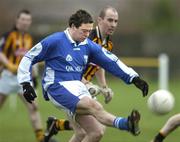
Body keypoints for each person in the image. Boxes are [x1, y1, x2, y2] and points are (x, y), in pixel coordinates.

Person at [17, 9, 149, 142]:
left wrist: (134, 78)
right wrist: (25, 83)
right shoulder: (55, 41)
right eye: (84, 31)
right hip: (56, 86)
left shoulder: (88, 45)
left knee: (96, 132)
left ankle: (126, 124)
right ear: (73, 27)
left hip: (77, 87)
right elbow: (28, 57)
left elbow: (111, 61)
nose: (87, 34)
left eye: (89, 31)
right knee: (95, 107)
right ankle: (126, 124)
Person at [43, 6, 120, 141]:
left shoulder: (108, 44)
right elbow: (70, 67)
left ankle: (56, 125)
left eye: (115, 21)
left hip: (83, 88)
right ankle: (57, 125)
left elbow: (99, 64)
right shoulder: (85, 37)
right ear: (100, 20)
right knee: (87, 131)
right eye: (110, 20)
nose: (113, 24)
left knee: (95, 128)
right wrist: (86, 83)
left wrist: (104, 86)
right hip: (70, 87)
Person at [0, 9, 44, 142]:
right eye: (22, 19)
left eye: (27, 20)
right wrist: (9, 65)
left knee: (34, 107)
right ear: (17, 20)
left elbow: (30, 60)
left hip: (22, 79)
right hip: (6, 76)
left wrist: (34, 77)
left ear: (30, 22)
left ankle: (41, 138)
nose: (25, 22)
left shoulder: (29, 38)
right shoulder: (8, 36)